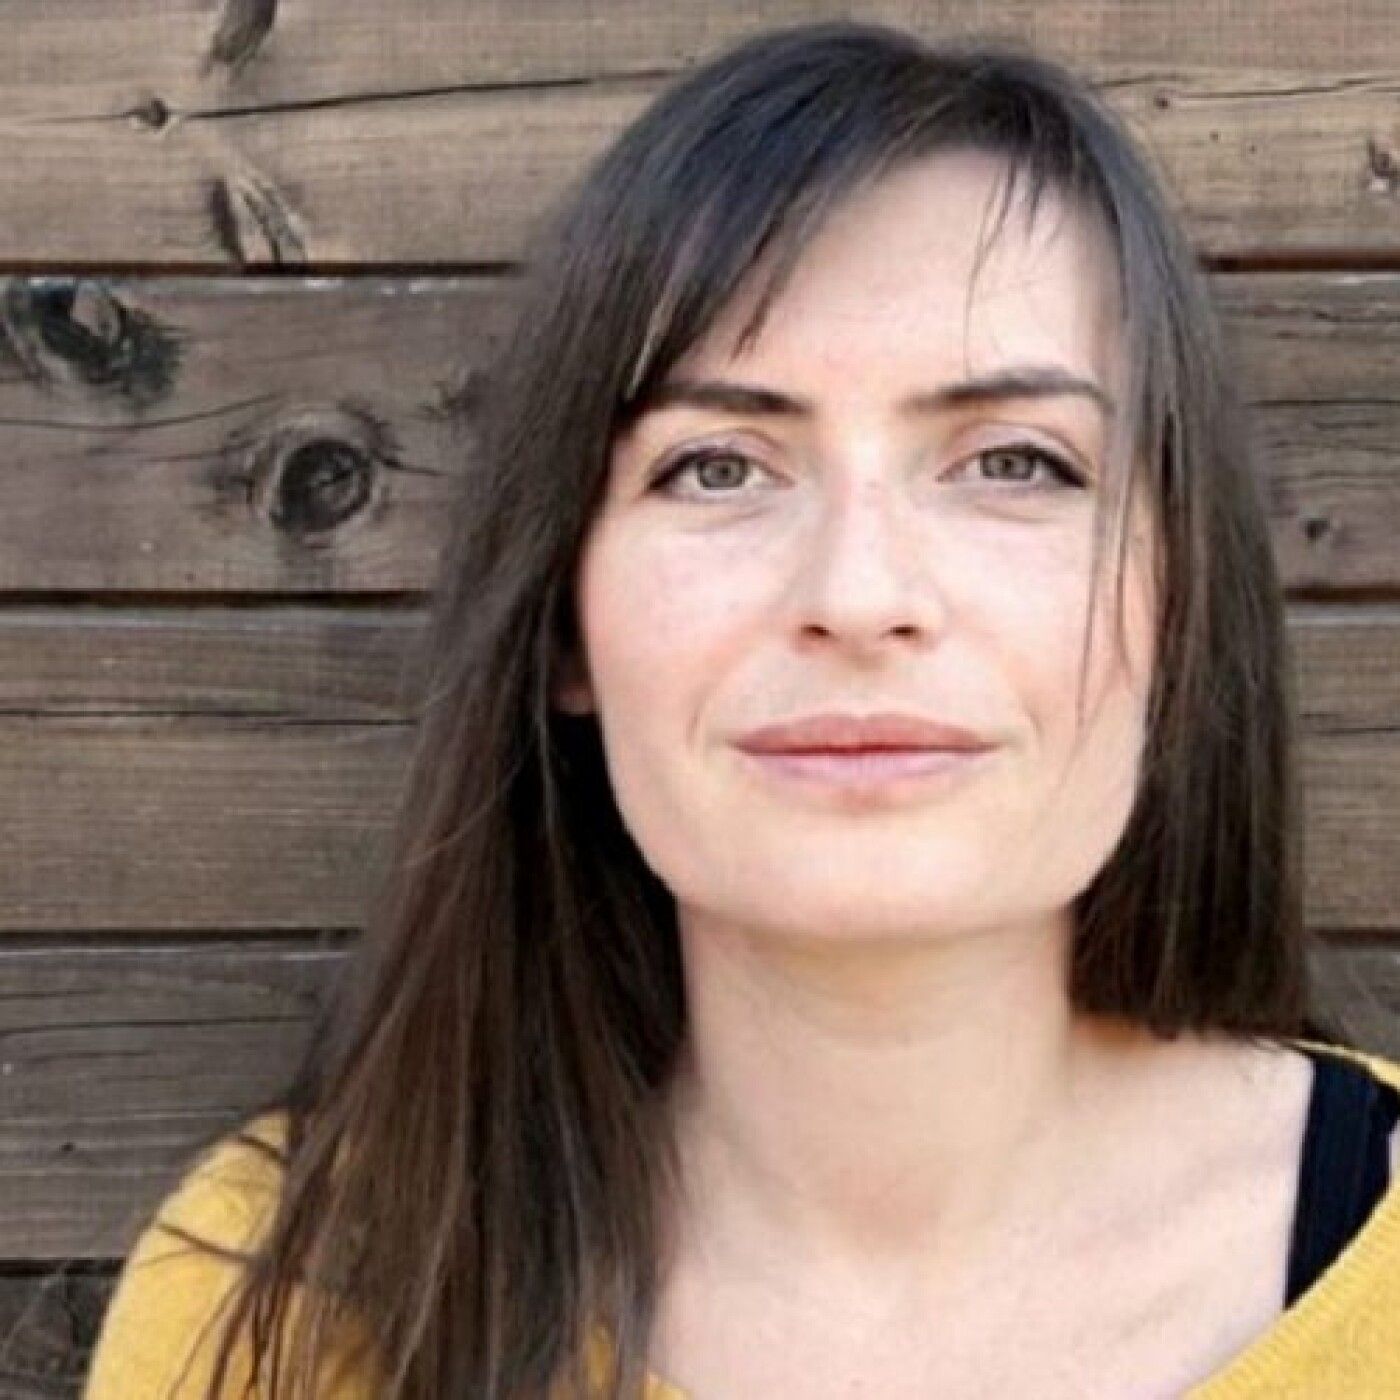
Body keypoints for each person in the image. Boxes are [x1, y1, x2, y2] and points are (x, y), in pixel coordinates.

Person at [83, 19, 1400, 1400]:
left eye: (1015, 462)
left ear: (1178, 605)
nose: (860, 594)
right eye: (718, 467)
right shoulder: (282, 1300)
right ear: (564, 621)